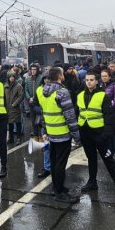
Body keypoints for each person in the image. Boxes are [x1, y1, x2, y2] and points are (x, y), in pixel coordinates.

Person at [37, 66, 81, 203]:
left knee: (55, 162)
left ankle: (57, 187)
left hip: (51, 133)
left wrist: (44, 131)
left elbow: (44, 113)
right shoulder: (62, 92)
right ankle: (60, 193)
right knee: (60, 164)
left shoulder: (43, 91)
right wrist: (76, 136)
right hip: (62, 134)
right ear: (60, 76)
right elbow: (70, 116)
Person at [77, 72, 115, 197]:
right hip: (85, 133)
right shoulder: (80, 95)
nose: (89, 82)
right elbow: (79, 113)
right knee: (91, 159)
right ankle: (92, 181)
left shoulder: (102, 96)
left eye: (91, 80)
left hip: (99, 134)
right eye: (87, 80)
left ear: (96, 81)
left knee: (108, 160)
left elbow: (109, 117)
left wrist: (105, 135)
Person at [100, 68, 115, 161]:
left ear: (109, 77)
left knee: (114, 135)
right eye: (102, 76)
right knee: (107, 135)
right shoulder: (101, 86)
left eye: (105, 76)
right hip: (104, 115)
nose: (104, 78)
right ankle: (110, 152)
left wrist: (106, 108)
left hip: (113, 115)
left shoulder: (114, 86)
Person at [5, 71, 24, 144]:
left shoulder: (18, 86)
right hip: (8, 107)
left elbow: (21, 96)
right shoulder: (5, 86)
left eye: (13, 77)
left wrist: (15, 104)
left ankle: (18, 138)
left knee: (18, 122)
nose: (11, 78)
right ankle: (11, 138)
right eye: (10, 77)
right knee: (10, 124)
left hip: (15, 107)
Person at [23, 65, 42, 136]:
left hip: (38, 101)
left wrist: (36, 98)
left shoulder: (40, 78)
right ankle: (35, 131)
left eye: (34, 69)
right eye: (32, 69)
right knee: (33, 118)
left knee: (39, 117)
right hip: (31, 102)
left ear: (37, 70)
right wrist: (29, 98)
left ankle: (40, 130)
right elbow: (26, 90)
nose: (33, 71)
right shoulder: (27, 79)